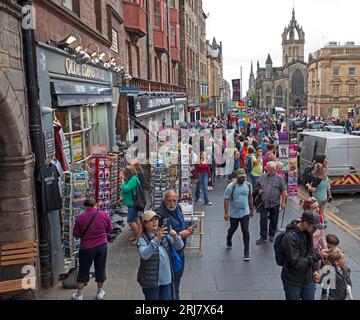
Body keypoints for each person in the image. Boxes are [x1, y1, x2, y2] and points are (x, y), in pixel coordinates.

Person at [157, 190, 195, 300]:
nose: (172, 203)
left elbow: (180, 223)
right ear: (165, 200)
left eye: (174, 200)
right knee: (173, 280)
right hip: (170, 253)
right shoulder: (160, 215)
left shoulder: (178, 207)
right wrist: (179, 235)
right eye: (169, 201)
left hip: (180, 249)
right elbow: (161, 237)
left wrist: (186, 229)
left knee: (178, 277)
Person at [137, 211, 184, 300]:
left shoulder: (164, 233)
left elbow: (180, 247)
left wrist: (175, 236)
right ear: (145, 224)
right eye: (151, 220)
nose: (154, 222)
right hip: (151, 282)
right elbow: (144, 255)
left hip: (166, 279)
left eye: (155, 219)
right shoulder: (142, 239)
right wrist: (156, 239)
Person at [281, 211, 328, 300]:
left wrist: (315, 270)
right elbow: (297, 262)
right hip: (293, 281)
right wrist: (318, 256)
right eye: (314, 227)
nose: (315, 230)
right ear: (305, 223)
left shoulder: (308, 233)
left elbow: (310, 252)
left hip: (308, 278)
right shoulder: (289, 238)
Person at [72, 199, 112, 300]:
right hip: (101, 245)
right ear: (95, 205)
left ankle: (79, 294)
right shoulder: (104, 215)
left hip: (86, 247)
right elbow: (109, 229)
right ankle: (99, 293)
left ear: (85, 207)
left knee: (83, 270)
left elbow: (75, 234)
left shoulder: (80, 218)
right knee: (100, 268)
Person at [223, 169, 254, 261]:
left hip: (245, 212)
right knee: (233, 229)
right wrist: (226, 213)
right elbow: (226, 199)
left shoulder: (248, 185)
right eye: (241, 177)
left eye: (244, 177)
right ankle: (229, 238)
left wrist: (252, 209)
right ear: (237, 177)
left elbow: (250, 197)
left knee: (245, 230)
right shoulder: (231, 186)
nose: (243, 179)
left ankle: (246, 252)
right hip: (234, 213)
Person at [256, 162, 287, 244]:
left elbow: (284, 191)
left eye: (268, 167)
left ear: (272, 169)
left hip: (275, 203)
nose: (266, 168)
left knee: (274, 219)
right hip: (264, 202)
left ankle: (272, 235)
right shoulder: (263, 176)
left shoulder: (280, 178)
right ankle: (263, 236)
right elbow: (258, 185)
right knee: (263, 219)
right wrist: (259, 189)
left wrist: (283, 203)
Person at [121, 165, 141, 245]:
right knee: (135, 219)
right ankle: (137, 236)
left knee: (130, 221)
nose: (123, 173)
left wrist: (122, 181)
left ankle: (138, 238)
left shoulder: (133, 180)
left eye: (124, 172)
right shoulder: (132, 179)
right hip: (132, 203)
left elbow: (125, 189)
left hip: (132, 204)